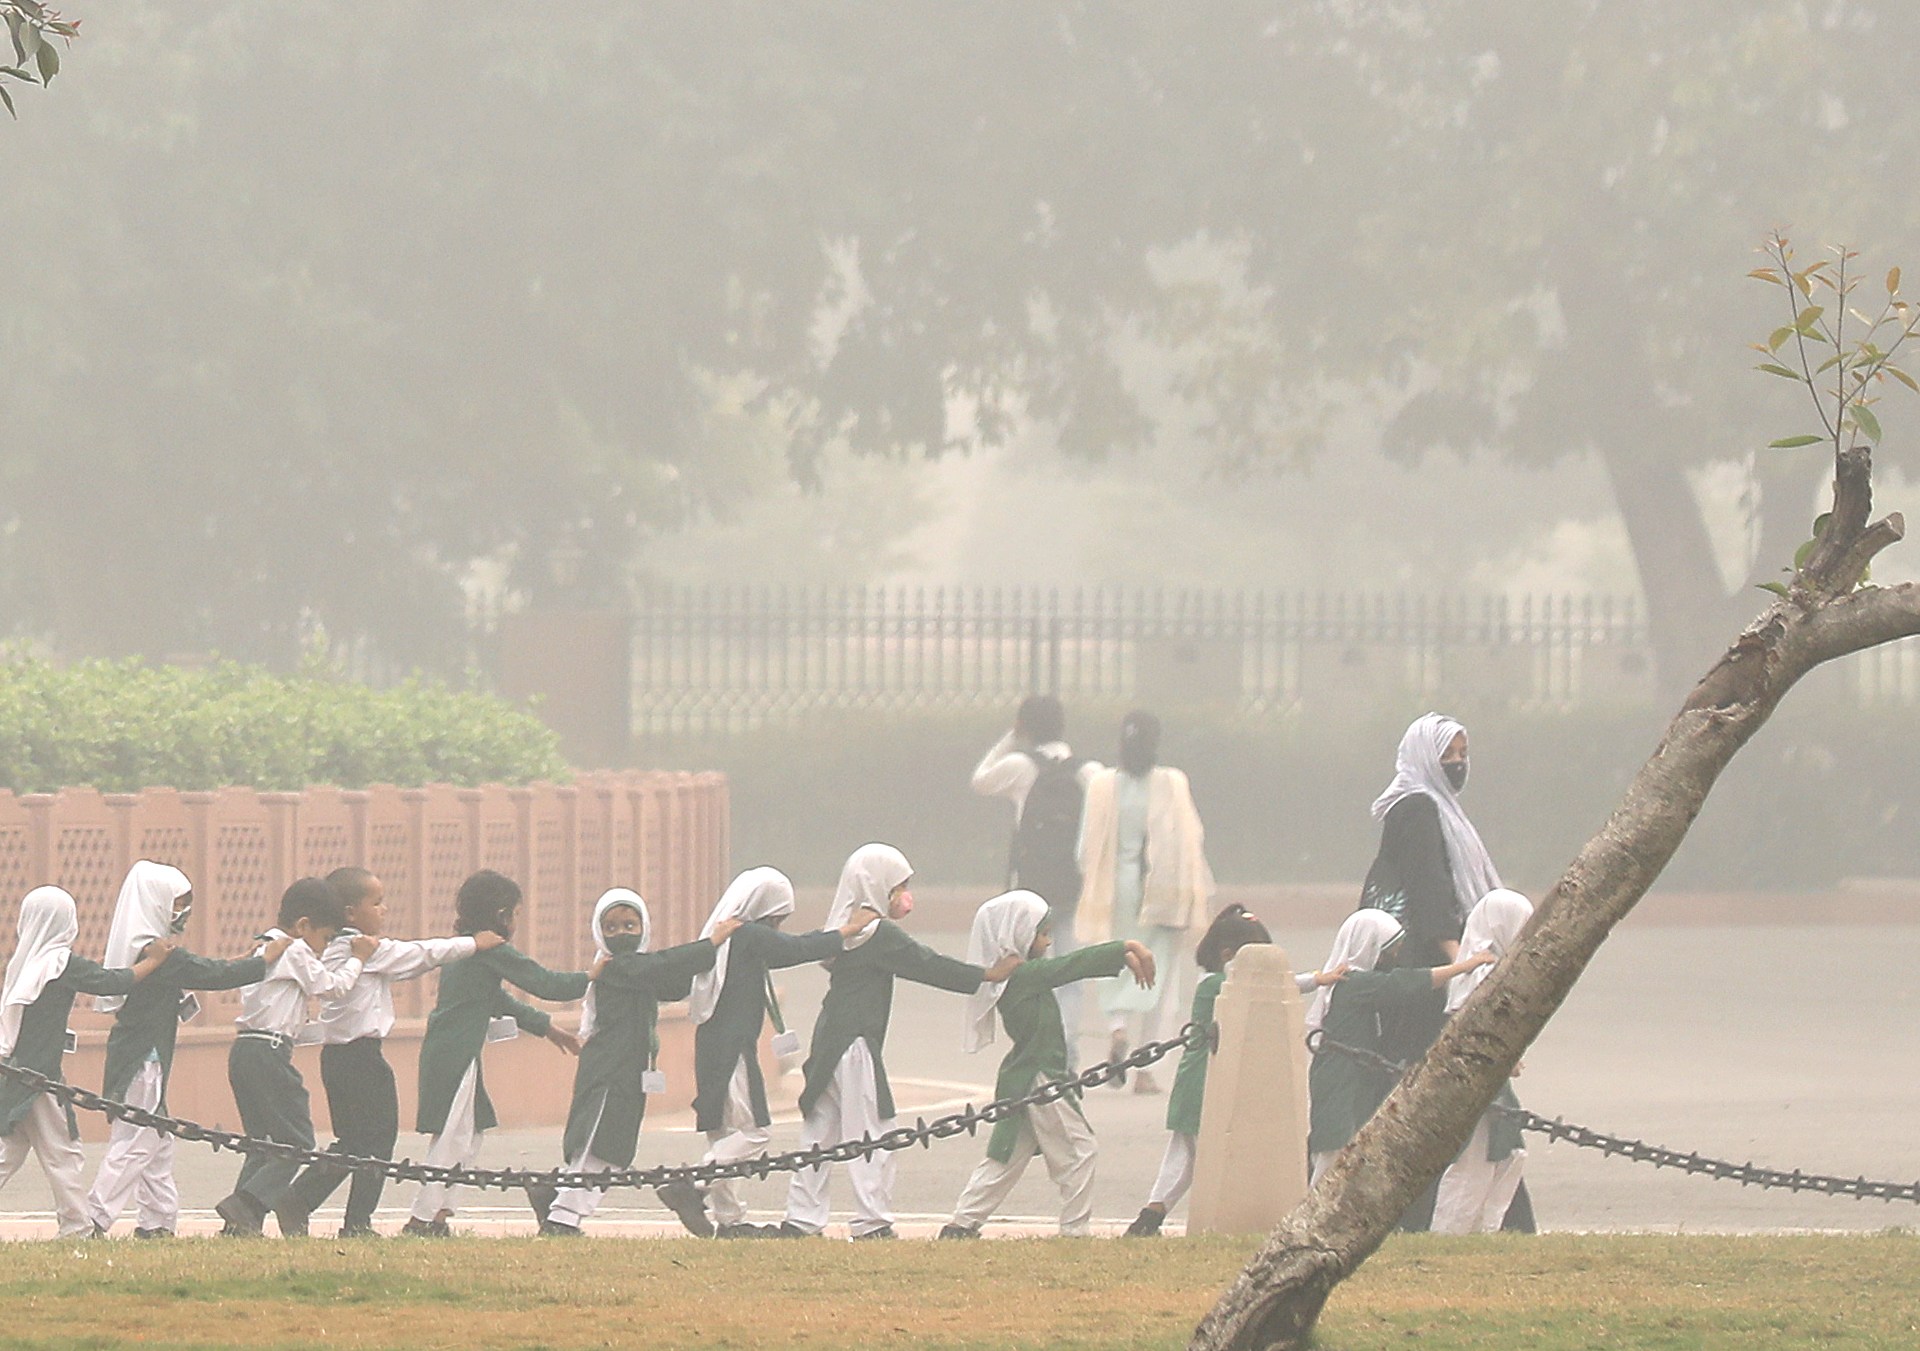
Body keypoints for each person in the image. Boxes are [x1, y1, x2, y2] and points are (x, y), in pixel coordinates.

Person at [771, 844, 1019, 1240]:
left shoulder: (841, 928)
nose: (904, 895)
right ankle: (872, 1222)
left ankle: (802, 1219)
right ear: (877, 885)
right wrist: (987, 975)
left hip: (829, 1037)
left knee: (819, 1130)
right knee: (874, 1130)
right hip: (855, 1042)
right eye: (899, 885)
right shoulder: (879, 934)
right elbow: (930, 965)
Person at [277, 867, 499, 1238]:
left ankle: (299, 1199)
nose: (384, 910)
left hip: (335, 1057)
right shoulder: (363, 948)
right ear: (349, 912)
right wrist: (474, 943)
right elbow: (421, 954)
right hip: (363, 1058)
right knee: (378, 1142)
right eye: (376, 903)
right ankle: (356, 1222)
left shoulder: (334, 948)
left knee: (351, 1142)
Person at [659, 867, 867, 1239]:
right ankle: (690, 1184)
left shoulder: (731, 938)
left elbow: (786, 949)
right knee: (755, 1134)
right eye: (778, 917)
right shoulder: (748, 935)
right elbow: (796, 949)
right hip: (733, 1047)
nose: (778, 926)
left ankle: (731, 1220)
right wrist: (845, 933)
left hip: (712, 1044)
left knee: (724, 1134)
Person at [88, 860, 289, 1238]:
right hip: (143, 1059)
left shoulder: (147, 949)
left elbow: (204, 968)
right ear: (156, 902)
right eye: (177, 902)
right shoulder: (156, 952)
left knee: (157, 1144)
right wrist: (263, 961)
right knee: (138, 1141)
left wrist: (241, 961)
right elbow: (213, 975)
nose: (182, 912)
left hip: (145, 1055)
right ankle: (94, 1219)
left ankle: (157, 1223)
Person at [940, 890, 1154, 1239]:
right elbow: (1070, 966)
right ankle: (1074, 1232)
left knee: (1006, 1158)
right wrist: (1125, 948)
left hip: (1024, 1076)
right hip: (1040, 1078)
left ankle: (961, 1224)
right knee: (1080, 1152)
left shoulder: (1015, 975)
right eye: (1042, 933)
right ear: (1018, 932)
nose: (1048, 940)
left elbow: (1063, 966)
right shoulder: (1023, 976)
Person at [1124, 903, 1347, 1238]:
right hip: (1204, 1082)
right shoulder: (1216, 984)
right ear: (1228, 955)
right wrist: (1316, 979)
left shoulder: (1216, 981)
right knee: (1198, 1158)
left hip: (1198, 1083)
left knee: (1183, 1160)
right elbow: (1276, 985)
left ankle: (1149, 1218)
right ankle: (1169, 1219)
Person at [1359, 712, 1501, 1230]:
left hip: (1428, 963)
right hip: (1424, 970)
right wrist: (1457, 959)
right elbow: (1428, 890)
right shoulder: (1418, 809)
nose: (1458, 765)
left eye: (1463, 755)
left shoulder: (1432, 807)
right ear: (1424, 756)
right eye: (1449, 756)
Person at [538, 889, 737, 1237]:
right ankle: (563, 1218)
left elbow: (671, 983)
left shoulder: (636, 971)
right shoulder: (617, 967)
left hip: (628, 1070)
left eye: (630, 925)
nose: (622, 935)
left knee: (613, 1146)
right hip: (609, 1069)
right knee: (597, 1143)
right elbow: (662, 965)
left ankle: (553, 1197)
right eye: (612, 927)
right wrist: (711, 943)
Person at [403, 869, 587, 1237]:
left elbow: (497, 999)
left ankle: (438, 1216)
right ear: (503, 915)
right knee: (452, 1137)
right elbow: (545, 983)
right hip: (455, 1055)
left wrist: (547, 1029)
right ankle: (421, 1220)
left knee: (467, 1137)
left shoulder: (468, 950)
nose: (518, 921)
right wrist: (595, 976)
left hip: (451, 1052)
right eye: (517, 914)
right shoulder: (489, 950)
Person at [0, 887, 172, 1237]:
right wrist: (152, 961)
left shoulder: (23, 964)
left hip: (20, 1072)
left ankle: (77, 1225)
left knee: (11, 1151)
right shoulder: (60, 962)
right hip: (39, 1077)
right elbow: (111, 982)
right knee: (62, 1153)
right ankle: (77, 1229)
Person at [214, 877, 380, 1236]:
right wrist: (358, 959)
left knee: (262, 1145)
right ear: (304, 926)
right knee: (297, 1142)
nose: (321, 951)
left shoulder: (264, 946)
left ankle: (242, 1225)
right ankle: (246, 1205)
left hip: (245, 1049)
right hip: (269, 1053)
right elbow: (332, 988)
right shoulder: (295, 950)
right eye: (322, 939)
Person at [1076, 710, 1214, 1092]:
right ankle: (1146, 1069)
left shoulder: (1101, 785)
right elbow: (1191, 842)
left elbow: (1084, 850)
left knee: (1118, 966)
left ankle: (1118, 1028)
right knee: (1160, 979)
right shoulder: (1172, 782)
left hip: (1114, 892)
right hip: (1161, 892)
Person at [1304, 910, 1492, 1187]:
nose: (1390, 958)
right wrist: (1465, 966)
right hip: (1340, 1083)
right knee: (1332, 1160)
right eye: (1387, 950)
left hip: (1355, 1083)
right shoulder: (1353, 985)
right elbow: (1406, 983)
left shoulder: (1355, 984)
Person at [971, 697, 1105, 1054]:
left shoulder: (1019, 767)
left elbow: (980, 779)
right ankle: (1067, 1053)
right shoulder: (1090, 772)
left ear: (1026, 726)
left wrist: (1011, 737)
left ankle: (1036, 1049)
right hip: (1075, 886)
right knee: (1070, 976)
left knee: (1032, 974)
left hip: (1032, 890)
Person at [1431, 888, 1534, 1235]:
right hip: (1477, 1078)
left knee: (1508, 1153)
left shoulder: (1484, 968)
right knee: (1474, 1160)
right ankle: (1453, 1232)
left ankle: (1481, 1229)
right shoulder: (1482, 972)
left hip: (1489, 1075)